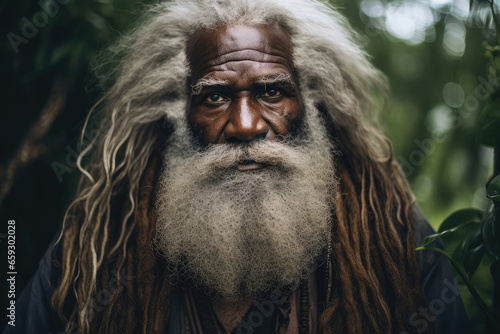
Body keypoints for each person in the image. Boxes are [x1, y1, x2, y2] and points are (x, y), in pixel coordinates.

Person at [4, 0, 471, 333]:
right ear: (177, 113)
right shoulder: (101, 243)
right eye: (215, 97)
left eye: (272, 92)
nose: (245, 125)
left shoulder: (389, 235)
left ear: (312, 103)